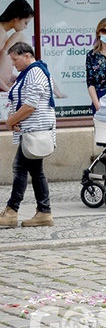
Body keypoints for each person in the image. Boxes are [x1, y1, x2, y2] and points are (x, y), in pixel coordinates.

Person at [0, 42, 56, 228]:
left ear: (26, 56)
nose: (13, 64)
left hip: (34, 132)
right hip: (29, 131)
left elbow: (31, 105)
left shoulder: (35, 73)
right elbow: (23, 102)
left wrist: (10, 121)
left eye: (15, 59)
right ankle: (44, 212)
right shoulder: (28, 73)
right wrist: (15, 119)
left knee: (20, 169)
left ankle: (11, 211)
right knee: (35, 171)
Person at [0, 0, 35, 92]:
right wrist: (7, 90)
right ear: (16, 18)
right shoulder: (1, 33)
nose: (26, 27)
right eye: (25, 23)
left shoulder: (3, 33)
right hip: (3, 83)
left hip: (4, 81)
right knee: (19, 36)